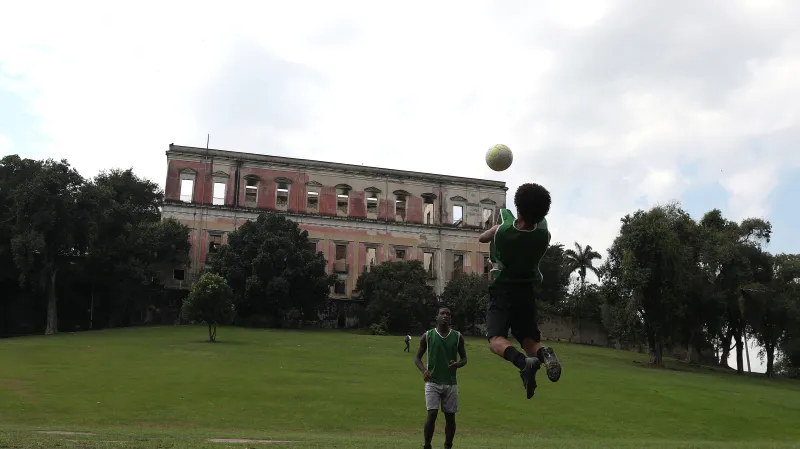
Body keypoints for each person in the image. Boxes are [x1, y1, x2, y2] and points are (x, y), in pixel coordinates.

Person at [479, 183, 562, 399]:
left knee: (495, 339)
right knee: (530, 341)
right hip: (527, 291)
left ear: (517, 207)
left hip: (504, 289)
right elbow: (533, 224)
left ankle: (523, 363)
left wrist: (498, 227)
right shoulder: (544, 235)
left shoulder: (503, 232)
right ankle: (544, 354)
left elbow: (483, 238)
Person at [414, 307, 467, 449]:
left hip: (450, 383)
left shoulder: (457, 337)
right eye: (442, 314)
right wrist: (423, 370)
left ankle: (448, 445)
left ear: (451, 318)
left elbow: (464, 359)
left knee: (450, 418)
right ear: (436, 317)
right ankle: (427, 445)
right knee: (432, 414)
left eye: (448, 314)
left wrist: (457, 364)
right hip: (432, 382)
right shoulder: (428, 336)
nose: (445, 316)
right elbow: (417, 358)